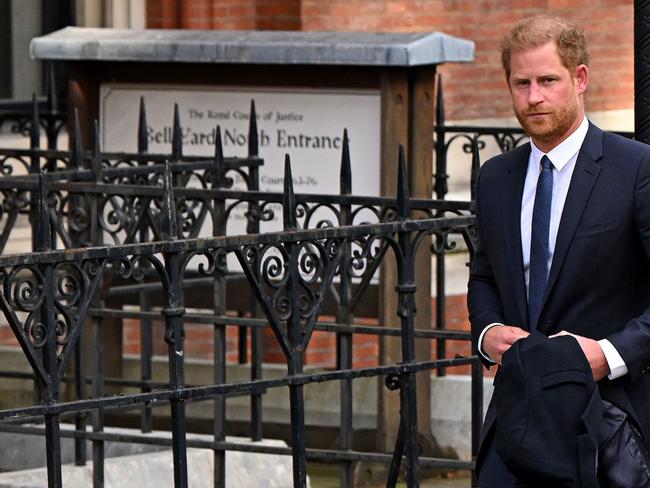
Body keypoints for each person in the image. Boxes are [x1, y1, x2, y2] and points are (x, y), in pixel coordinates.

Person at [467, 15, 650, 487]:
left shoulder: (635, 169)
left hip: (608, 421)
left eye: (548, 80)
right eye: (521, 83)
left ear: (580, 78)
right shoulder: (495, 178)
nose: (534, 97)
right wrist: (487, 334)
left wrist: (608, 354)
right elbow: (484, 275)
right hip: (516, 419)